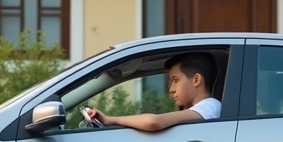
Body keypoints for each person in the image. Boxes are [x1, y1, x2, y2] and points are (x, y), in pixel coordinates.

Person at [84, 52, 221, 132]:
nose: (171, 89)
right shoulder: (196, 111)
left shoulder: (210, 106)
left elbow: (154, 122)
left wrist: (110, 120)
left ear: (196, 80)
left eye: (175, 80)